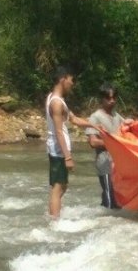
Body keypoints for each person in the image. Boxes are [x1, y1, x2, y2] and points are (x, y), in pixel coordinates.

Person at [45, 66, 95, 219]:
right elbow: (59, 131)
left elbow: (73, 119)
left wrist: (93, 125)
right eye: (71, 80)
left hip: (59, 150)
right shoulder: (56, 103)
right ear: (63, 79)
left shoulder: (57, 100)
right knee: (58, 187)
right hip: (58, 150)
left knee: (62, 185)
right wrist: (67, 157)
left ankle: (53, 215)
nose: (72, 84)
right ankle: (55, 221)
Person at [85, 83, 132, 209]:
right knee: (110, 196)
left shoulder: (116, 115)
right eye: (108, 98)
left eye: (114, 97)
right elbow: (93, 142)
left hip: (118, 163)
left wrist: (131, 124)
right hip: (104, 162)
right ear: (102, 98)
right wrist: (114, 143)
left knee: (117, 198)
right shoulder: (95, 117)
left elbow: (126, 131)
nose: (112, 101)